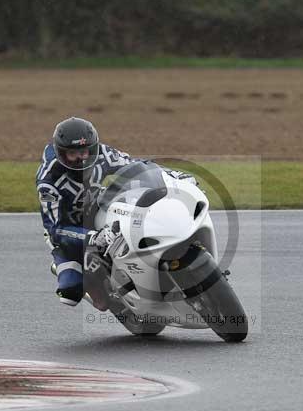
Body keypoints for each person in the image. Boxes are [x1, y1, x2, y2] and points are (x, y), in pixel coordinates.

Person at [36, 117, 193, 308]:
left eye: (84, 152)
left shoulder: (103, 154)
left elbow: (137, 166)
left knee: (135, 198)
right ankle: (75, 273)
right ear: (62, 154)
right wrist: (93, 238)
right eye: (72, 154)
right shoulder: (48, 183)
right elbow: (56, 230)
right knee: (72, 293)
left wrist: (171, 176)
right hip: (70, 231)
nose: (80, 158)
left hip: (96, 205)